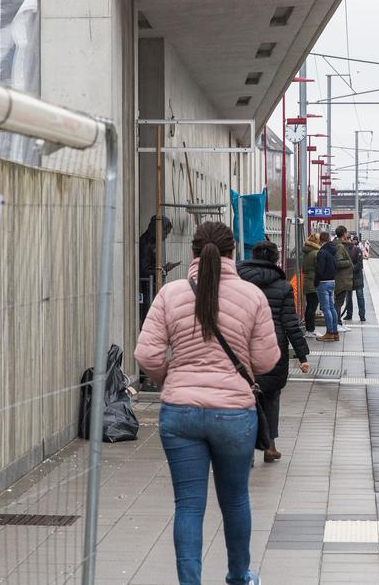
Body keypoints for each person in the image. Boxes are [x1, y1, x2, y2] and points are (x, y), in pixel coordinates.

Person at [135, 221, 277, 585]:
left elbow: (146, 354)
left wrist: (173, 378)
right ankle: (239, 577)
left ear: (193, 254)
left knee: (188, 505)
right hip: (234, 415)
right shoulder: (252, 297)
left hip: (179, 414)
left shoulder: (170, 293)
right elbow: (265, 362)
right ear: (232, 253)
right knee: (235, 502)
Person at [237, 241, 311, 462]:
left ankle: (246, 450)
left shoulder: (238, 282)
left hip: (242, 345)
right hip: (273, 347)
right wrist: (303, 355)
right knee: (271, 395)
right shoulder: (283, 286)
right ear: (275, 259)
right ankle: (270, 446)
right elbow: (290, 323)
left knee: (244, 396)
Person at [315, 232, 341, 342]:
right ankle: (335, 332)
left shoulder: (322, 252)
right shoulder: (334, 251)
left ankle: (329, 332)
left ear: (320, 240)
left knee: (326, 309)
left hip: (323, 283)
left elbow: (320, 270)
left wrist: (316, 282)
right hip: (332, 281)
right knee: (331, 308)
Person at [333, 225, 353, 333]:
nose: (348, 234)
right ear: (344, 233)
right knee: (339, 302)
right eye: (346, 232)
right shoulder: (339, 246)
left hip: (342, 279)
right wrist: (349, 262)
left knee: (340, 302)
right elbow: (338, 262)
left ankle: (339, 322)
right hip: (341, 279)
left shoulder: (341, 245)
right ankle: (336, 324)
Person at [301, 233, 322, 338]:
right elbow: (319, 268)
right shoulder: (315, 253)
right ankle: (311, 330)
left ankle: (309, 329)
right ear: (316, 241)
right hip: (314, 282)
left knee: (309, 306)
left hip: (308, 281)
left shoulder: (306, 252)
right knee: (312, 307)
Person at [343, 236, 367, 323]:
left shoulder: (357, 250)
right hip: (350, 277)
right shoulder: (344, 250)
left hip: (356, 278)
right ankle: (349, 314)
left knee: (359, 297)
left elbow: (360, 265)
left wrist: (350, 268)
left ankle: (362, 315)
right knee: (349, 297)